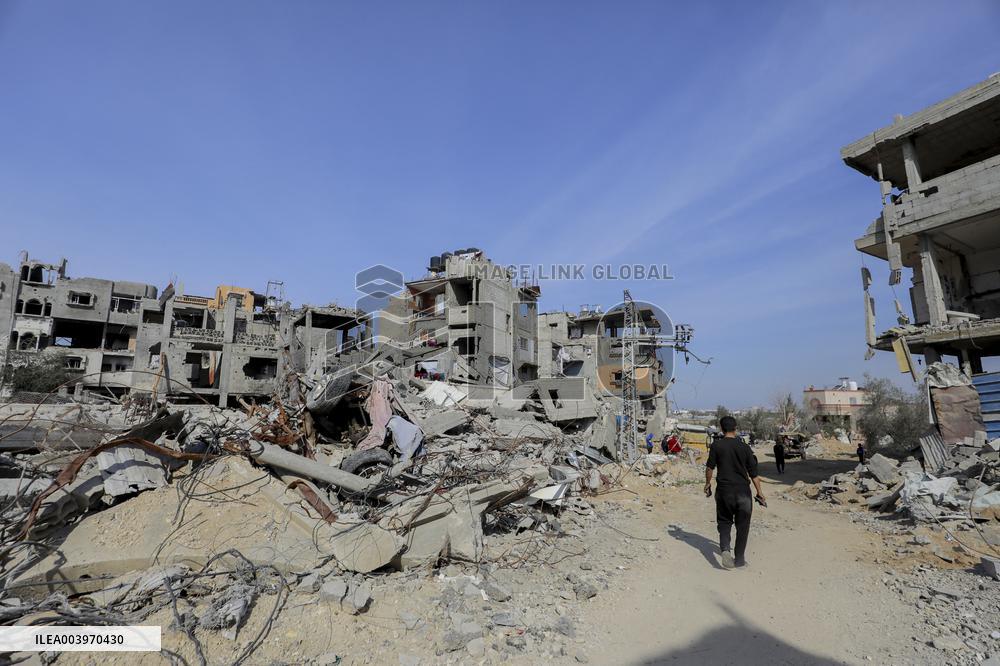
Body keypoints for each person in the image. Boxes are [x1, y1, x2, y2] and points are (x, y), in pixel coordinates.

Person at [704, 415, 766, 569]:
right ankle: (739, 559)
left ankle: (725, 550)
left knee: (724, 522)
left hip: (724, 491)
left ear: (721, 428)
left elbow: (710, 468)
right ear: (735, 428)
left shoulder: (716, 446)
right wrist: (760, 492)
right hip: (743, 493)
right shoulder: (744, 447)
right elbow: (754, 475)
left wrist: (707, 484)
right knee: (743, 526)